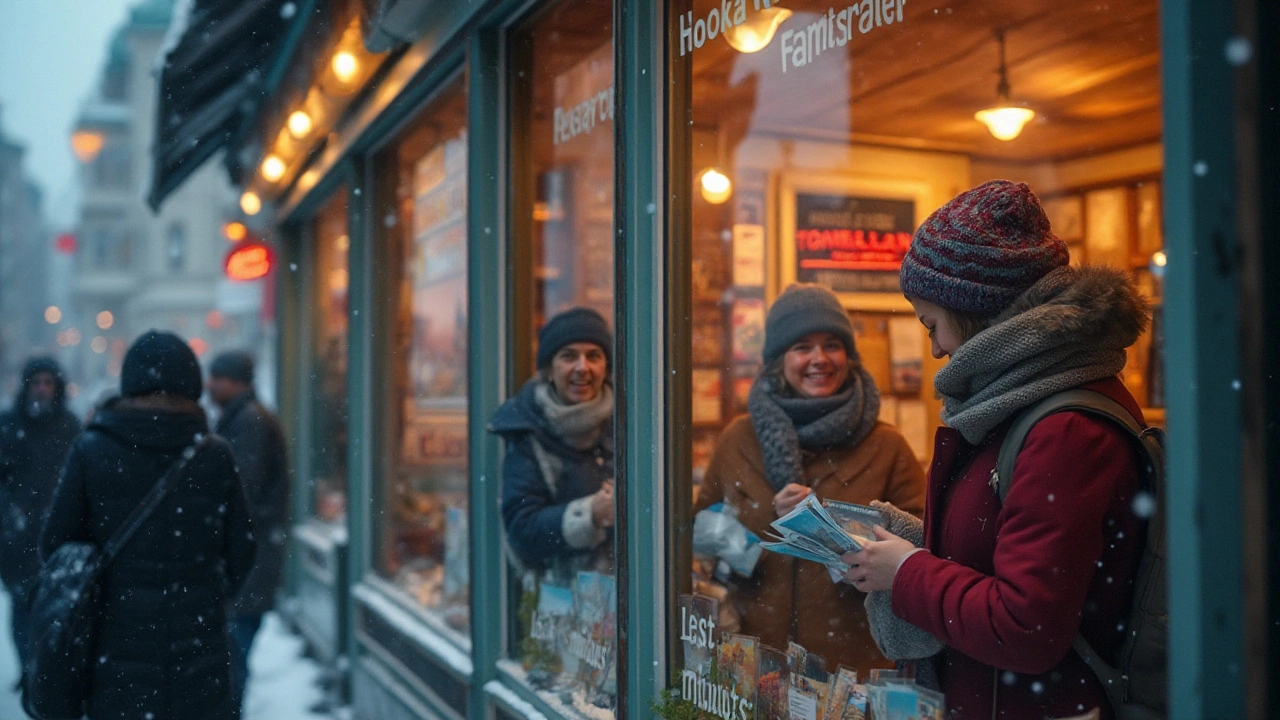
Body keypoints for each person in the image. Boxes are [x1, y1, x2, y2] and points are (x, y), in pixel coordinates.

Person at [845, 180, 1150, 720]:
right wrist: (905, 544)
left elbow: (1026, 626)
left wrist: (907, 571)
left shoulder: (1064, 429)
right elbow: (1003, 551)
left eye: (932, 324)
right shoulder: (1023, 406)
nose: (936, 348)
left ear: (975, 311)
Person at [692, 284, 926, 676]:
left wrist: (825, 529)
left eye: (831, 344)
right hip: (752, 666)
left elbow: (920, 552)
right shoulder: (738, 439)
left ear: (849, 357)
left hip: (852, 674)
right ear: (778, 360)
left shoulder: (888, 447)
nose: (819, 359)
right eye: (802, 347)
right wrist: (762, 527)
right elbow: (699, 533)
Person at [40, 331, 256, 720]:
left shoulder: (92, 448)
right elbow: (242, 548)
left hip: (115, 652)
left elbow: (56, 544)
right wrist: (204, 595)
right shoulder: (213, 455)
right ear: (191, 383)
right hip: (197, 652)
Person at [490, 307, 615, 576]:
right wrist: (591, 513)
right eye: (569, 356)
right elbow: (521, 532)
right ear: (548, 369)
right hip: (560, 603)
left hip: (631, 599)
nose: (583, 368)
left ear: (606, 366)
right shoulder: (526, 430)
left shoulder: (632, 423)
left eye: (594, 356)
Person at [206, 350, 289, 709]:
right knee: (231, 654)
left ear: (238, 382)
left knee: (233, 653)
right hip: (248, 555)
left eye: (218, 378)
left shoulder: (250, 422)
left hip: (249, 558)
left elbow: (240, 489)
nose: (210, 385)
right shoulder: (241, 418)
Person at [0, 357, 81, 669]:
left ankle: (46, 670)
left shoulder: (69, 426)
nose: (42, 390)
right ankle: (27, 668)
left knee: (55, 609)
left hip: (59, 537)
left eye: (48, 383)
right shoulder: (9, 426)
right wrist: (11, 514)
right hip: (18, 538)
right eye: (36, 383)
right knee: (23, 606)